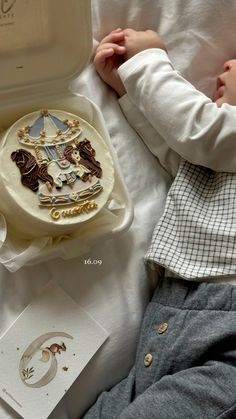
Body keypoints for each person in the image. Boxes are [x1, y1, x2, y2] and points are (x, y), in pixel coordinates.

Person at [83, 28, 236, 418]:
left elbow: (199, 131)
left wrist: (147, 62)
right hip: (171, 313)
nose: (228, 63)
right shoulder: (214, 158)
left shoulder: (219, 139)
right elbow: (176, 147)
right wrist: (129, 88)